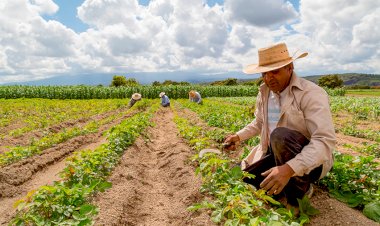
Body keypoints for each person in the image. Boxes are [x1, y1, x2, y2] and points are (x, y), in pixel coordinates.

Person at [224, 43, 335, 210]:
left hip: (310, 162)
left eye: (275, 71)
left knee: (280, 135)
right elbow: (259, 123)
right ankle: (283, 181)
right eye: (264, 73)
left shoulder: (311, 93)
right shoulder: (265, 92)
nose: (269, 78)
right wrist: (238, 136)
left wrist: (289, 169)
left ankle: (299, 193)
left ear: (289, 68)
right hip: (275, 154)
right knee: (244, 180)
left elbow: (323, 141)